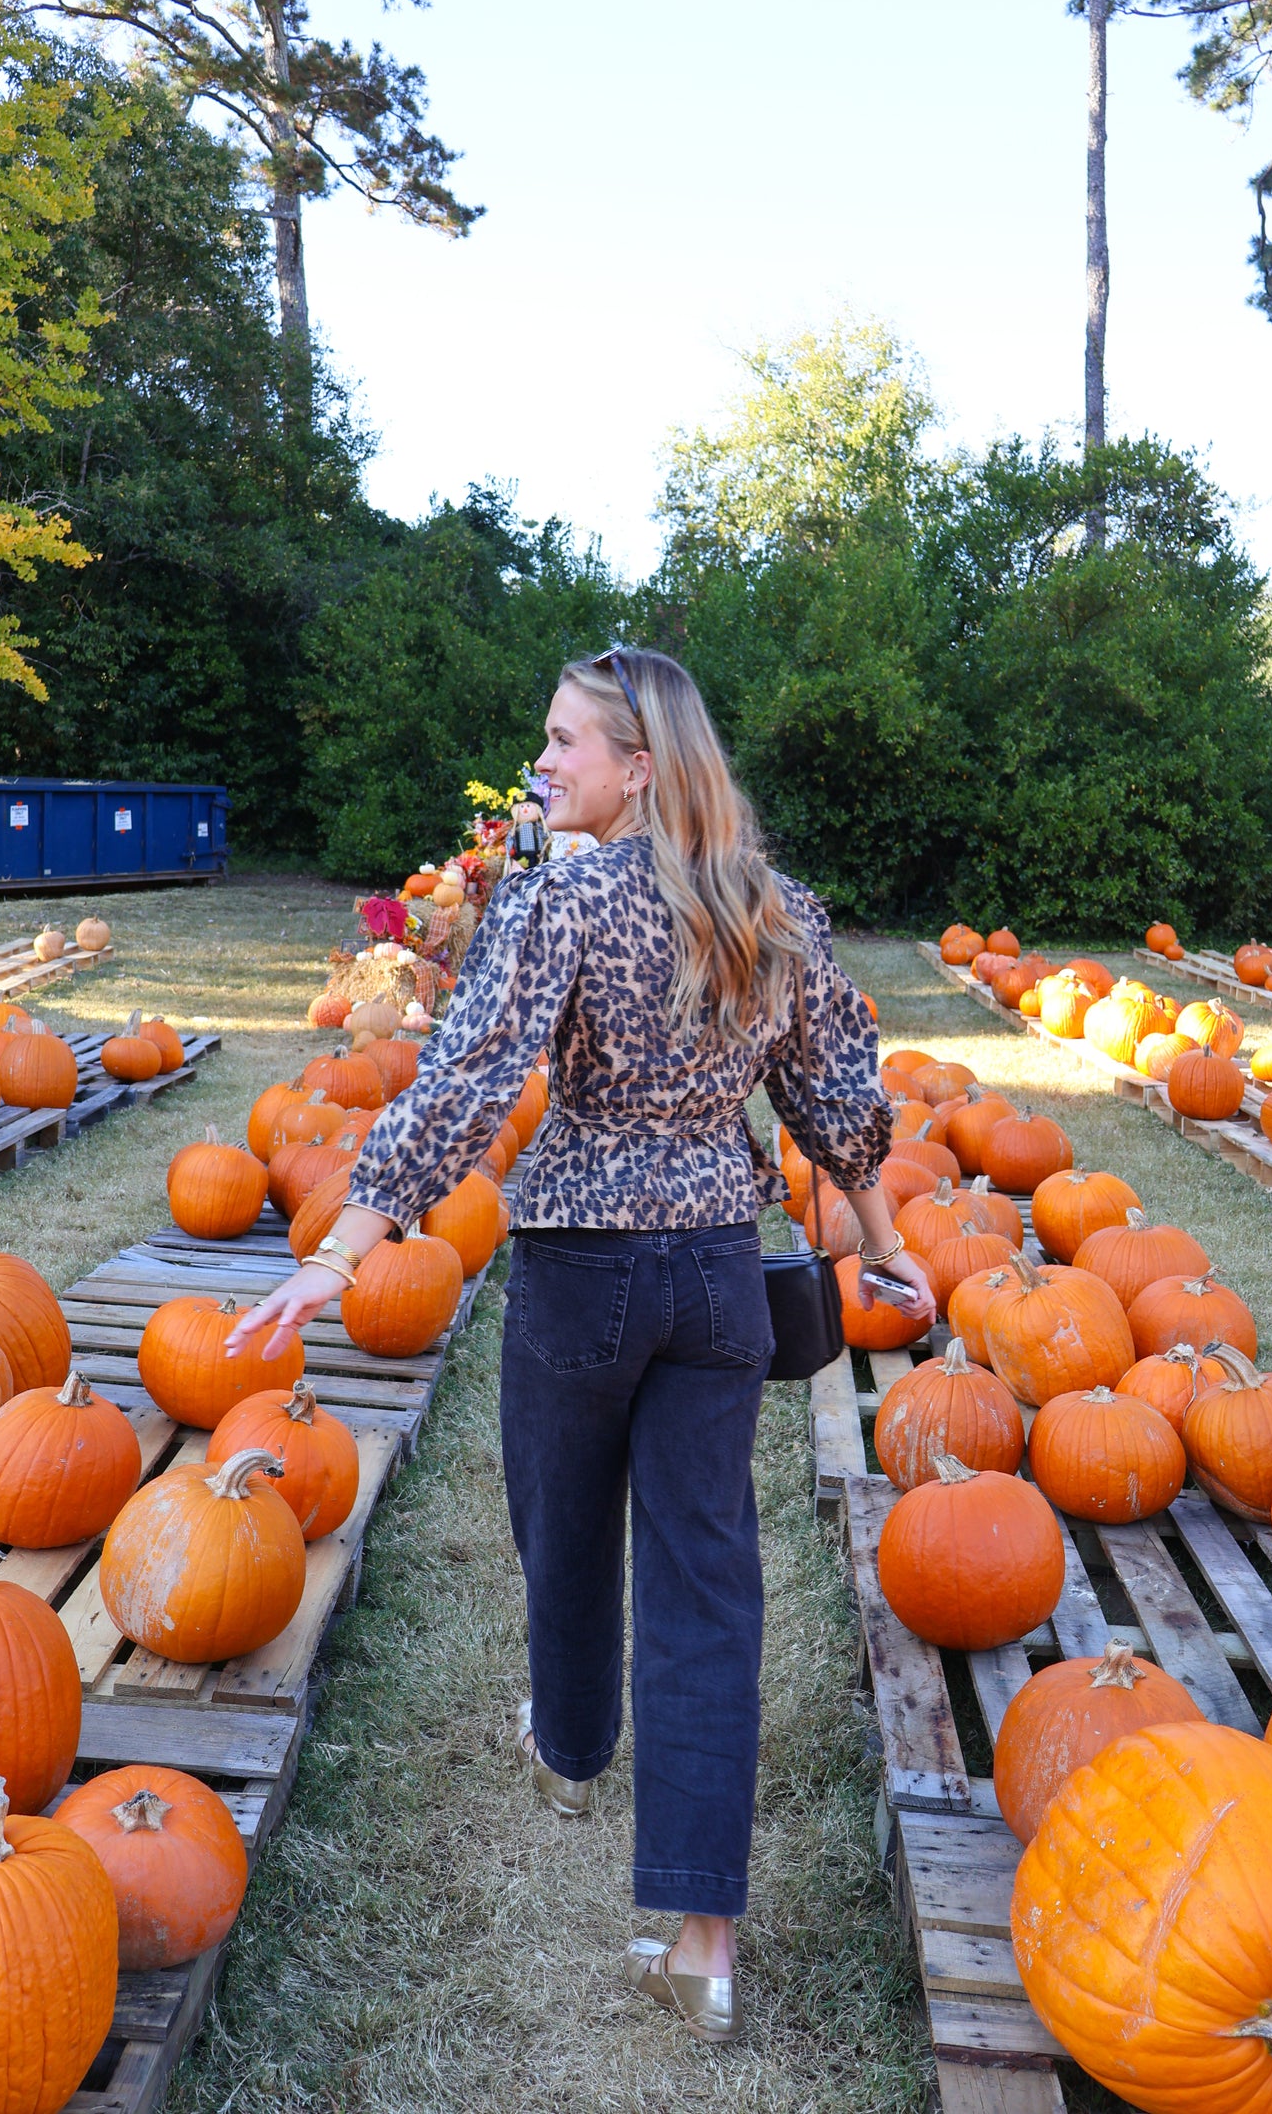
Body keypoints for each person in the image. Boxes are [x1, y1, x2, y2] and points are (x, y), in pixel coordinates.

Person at [228, 648, 934, 2044]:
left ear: (641, 767)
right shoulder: (772, 909)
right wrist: (883, 1235)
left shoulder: (561, 901)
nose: (543, 761)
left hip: (580, 1271)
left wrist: (338, 1253)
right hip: (721, 1278)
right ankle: (700, 1937)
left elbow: (469, 1079)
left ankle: (568, 1747)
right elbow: (834, 1094)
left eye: (566, 742)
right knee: (706, 1582)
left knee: (563, 1525)